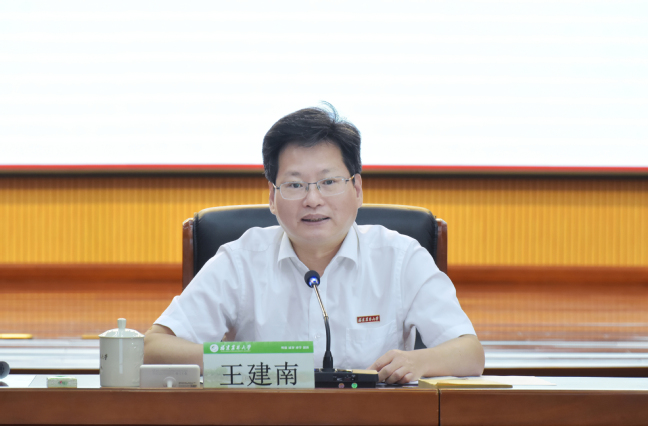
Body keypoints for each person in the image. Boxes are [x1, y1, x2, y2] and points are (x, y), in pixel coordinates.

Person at [144, 104, 484, 384]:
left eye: (328, 181)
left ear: (357, 189)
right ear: (272, 198)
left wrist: (419, 361)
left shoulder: (400, 258)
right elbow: (154, 347)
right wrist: (245, 360)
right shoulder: (240, 260)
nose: (313, 199)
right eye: (294, 185)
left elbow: (469, 353)